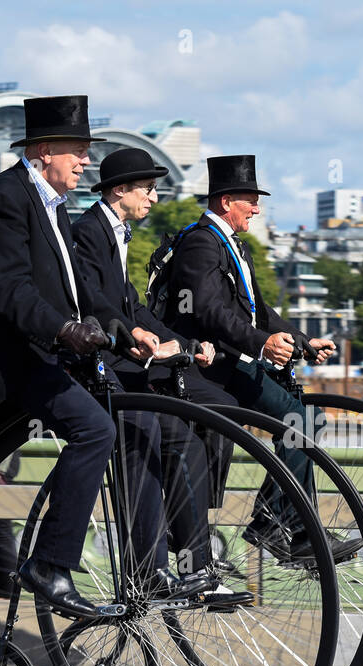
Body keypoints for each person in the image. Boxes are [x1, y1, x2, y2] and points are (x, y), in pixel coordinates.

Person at [0, 95, 207, 619]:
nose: (86, 161)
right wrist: (65, 330)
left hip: (45, 358)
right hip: (8, 362)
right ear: (44, 149)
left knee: (133, 420)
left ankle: (153, 566)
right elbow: (11, 292)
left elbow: (81, 291)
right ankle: (50, 564)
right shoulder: (5, 198)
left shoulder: (50, 206)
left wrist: (127, 330)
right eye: (78, 150)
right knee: (96, 431)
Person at [163, 154, 358, 563]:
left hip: (236, 360)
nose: (257, 208)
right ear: (225, 201)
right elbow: (208, 312)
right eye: (250, 200)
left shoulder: (233, 247)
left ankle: (285, 524)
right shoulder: (200, 243)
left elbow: (259, 311)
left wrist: (302, 341)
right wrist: (260, 345)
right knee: (299, 419)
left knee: (306, 419)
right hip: (213, 366)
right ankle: (277, 524)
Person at [72, 147, 246, 600]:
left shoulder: (116, 234)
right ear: (118, 190)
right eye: (147, 189)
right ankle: (184, 559)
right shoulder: (89, 233)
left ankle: (189, 537)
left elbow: (134, 306)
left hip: (128, 363)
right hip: (106, 369)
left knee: (220, 411)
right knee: (176, 434)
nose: (154, 197)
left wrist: (184, 344)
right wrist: (135, 334)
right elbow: (94, 302)